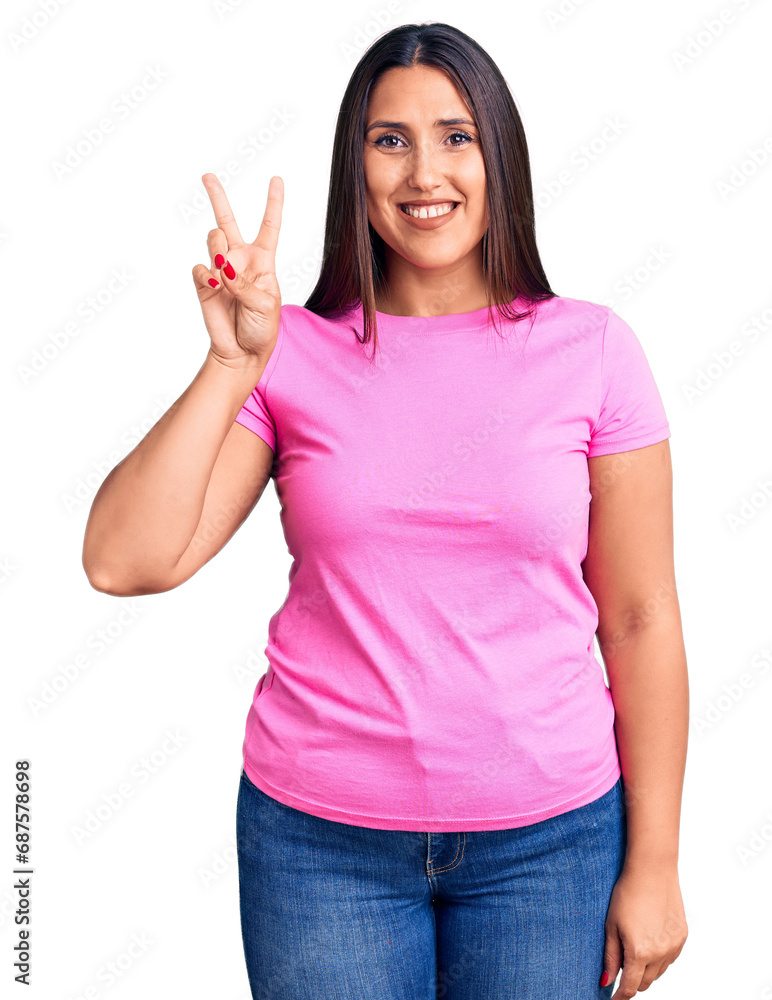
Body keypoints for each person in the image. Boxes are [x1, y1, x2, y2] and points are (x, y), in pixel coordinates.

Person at [82, 21, 689, 1000]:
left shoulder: (596, 350)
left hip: (550, 846)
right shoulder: (291, 355)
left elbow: (640, 616)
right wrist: (232, 362)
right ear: (353, 168)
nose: (423, 171)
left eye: (455, 135)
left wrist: (654, 862)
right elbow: (124, 559)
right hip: (319, 847)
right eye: (388, 138)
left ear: (499, 153)